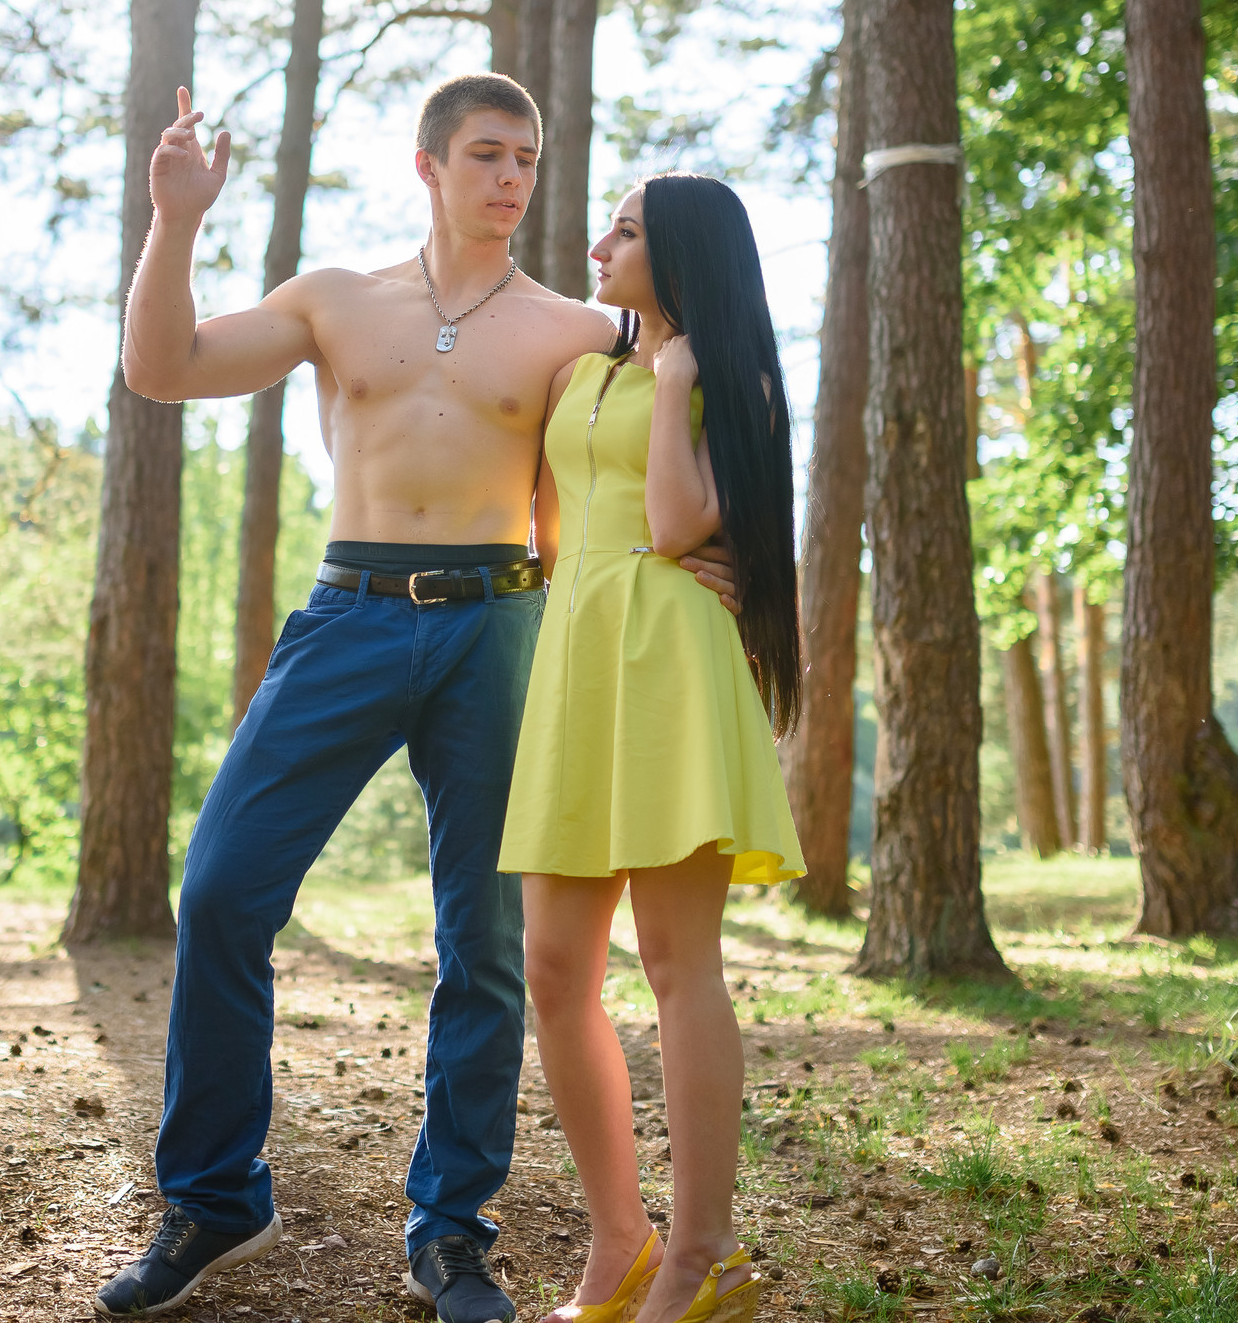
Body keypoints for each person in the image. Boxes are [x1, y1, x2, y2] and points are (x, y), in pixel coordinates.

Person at [97, 78, 737, 1322]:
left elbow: (660, 442)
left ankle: (453, 1233)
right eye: (487, 154)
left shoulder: (575, 329)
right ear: (427, 165)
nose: (511, 177)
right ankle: (216, 1194)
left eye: (528, 157)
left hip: (503, 624)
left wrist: (725, 555)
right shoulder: (337, 299)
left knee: (488, 946)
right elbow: (162, 368)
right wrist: (174, 220)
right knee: (222, 888)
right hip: (346, 613)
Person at [500, 175, 805, 1323]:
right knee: (552, 965)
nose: (599, 242)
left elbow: (679, 528)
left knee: (679, 964)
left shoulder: (726, 373)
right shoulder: (580, 370)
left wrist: (678, 379)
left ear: (680, 254)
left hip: (670, 660)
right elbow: (548, 516)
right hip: (577, 661)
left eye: (626, 231)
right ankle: (620, 1238)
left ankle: (704, 1254)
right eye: (609, 224)